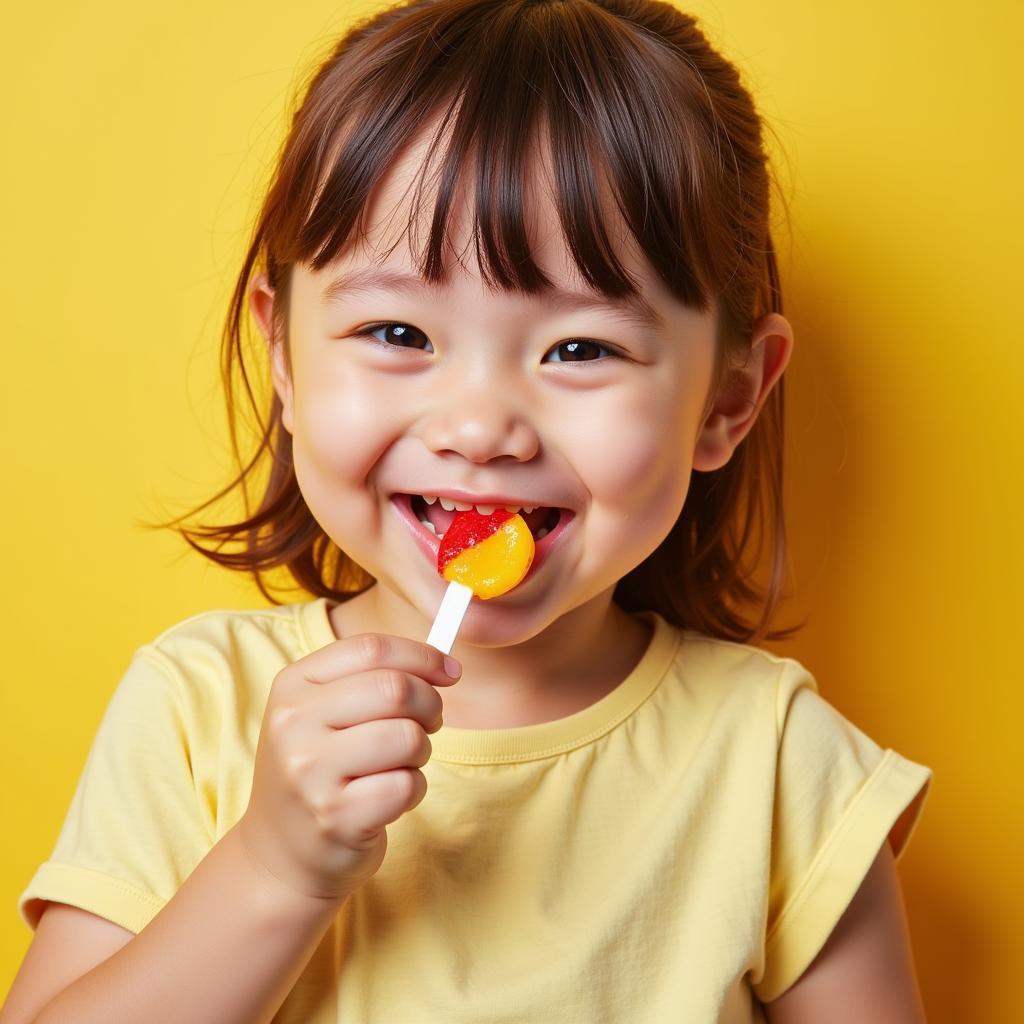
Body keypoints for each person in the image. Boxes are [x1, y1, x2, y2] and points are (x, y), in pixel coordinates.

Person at [3, 1, 933, 1021]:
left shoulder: (778, 764)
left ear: (725, 399)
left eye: (580, 348)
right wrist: (271, 873)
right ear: (285, 356)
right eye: (399, 329)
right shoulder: (199, 708)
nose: (482, 427)